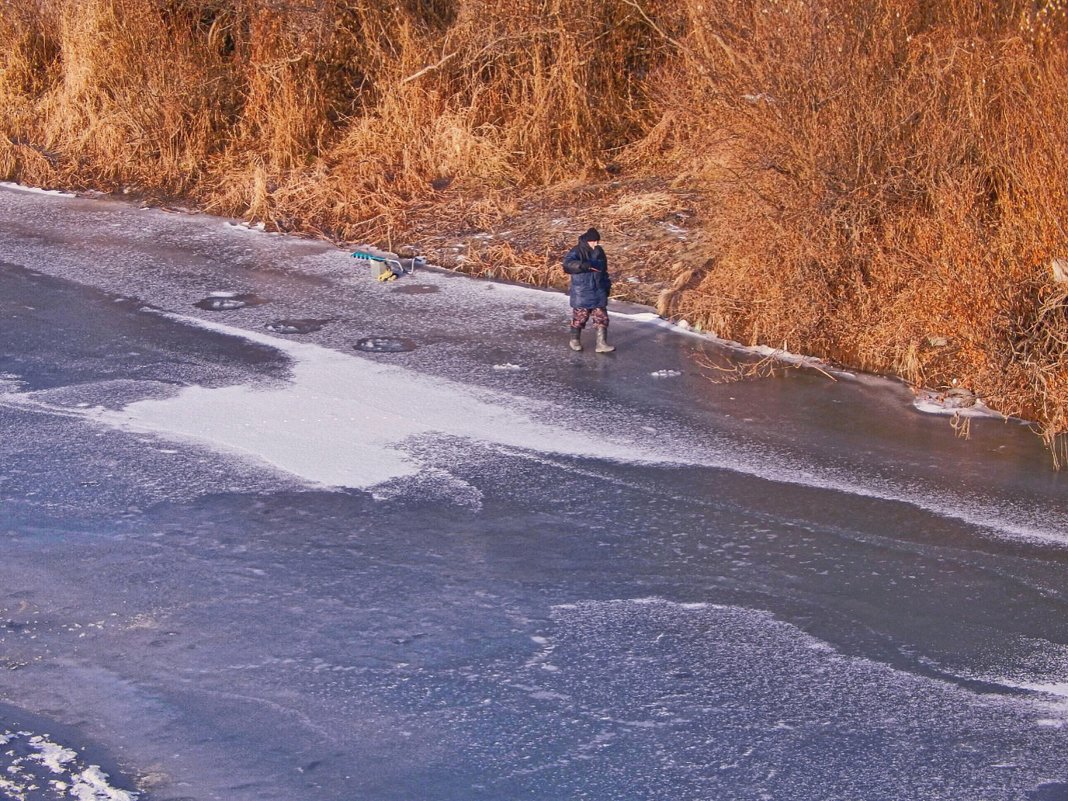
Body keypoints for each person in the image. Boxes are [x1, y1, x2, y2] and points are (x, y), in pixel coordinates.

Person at [562, 227, 615, 353]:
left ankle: (601, 344)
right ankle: (574, 340)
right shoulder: (577, 251)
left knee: (602, 318)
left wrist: (606, 286)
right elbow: (567, 265)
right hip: (582, 291)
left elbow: (604, 271)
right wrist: (581, 265)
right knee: (580, 317)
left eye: (597, 241)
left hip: (598, 290)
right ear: (587, 241)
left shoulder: (599, 252)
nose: (596, 244)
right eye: (593, 241)